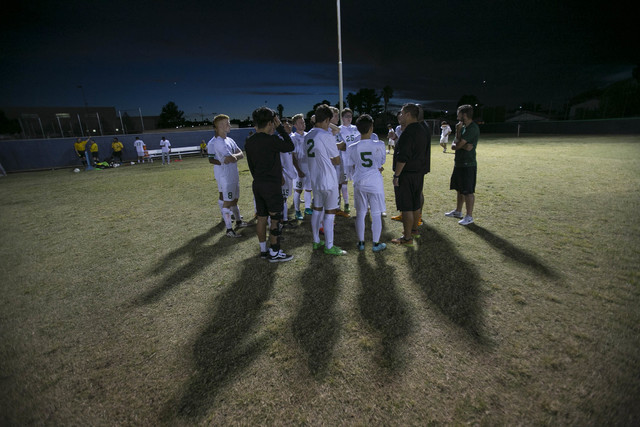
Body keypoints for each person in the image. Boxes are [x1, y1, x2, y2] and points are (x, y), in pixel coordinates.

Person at [244, 107, 295, 262]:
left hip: (258, 183)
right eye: (273, 123)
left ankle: (263, 250)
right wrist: (280, 128)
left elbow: (251, 166)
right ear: (269, 123)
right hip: (271, 186)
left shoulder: (249, 141)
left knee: (261, 217)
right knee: (275, 218)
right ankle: (275, 252)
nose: (274, 125)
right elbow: (290, 146)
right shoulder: (272, 140)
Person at [305, 104, 347, 256]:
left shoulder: (308, 135)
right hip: (328, 180)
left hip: (315, 179)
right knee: (330, 213)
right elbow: (336, 160)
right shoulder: (325, 135)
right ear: (328, 120)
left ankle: (316, 241)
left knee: (317, 210)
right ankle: (329, 246)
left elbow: (318, 151)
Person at [346, 114, 387, 252]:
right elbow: (381, 162)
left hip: (359, 182)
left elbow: (351, 165)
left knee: (361, 213)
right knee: (376, 214)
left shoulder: (352, 147)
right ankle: (376, 244)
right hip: (374, 182)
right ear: (371, 128)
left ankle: (361, 243)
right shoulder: (380, 144)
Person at [391, 103, 430, 245]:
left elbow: (403, 157)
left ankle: (407, 238)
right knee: (415, 203)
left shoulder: (409, 131)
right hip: (418, 173)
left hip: (407, 174)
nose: (400, 116)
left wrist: (396, 176)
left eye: (401, 113)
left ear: (408, 114)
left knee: (406, 206)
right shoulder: (422, 129)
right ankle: (414, 230)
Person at [208, 114, 247, 237]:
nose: (229, 125)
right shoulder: (218, 142)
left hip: (234, 175)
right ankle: (229, 230)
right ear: (219, 126)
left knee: (235, 200)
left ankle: (239, 221)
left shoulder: (229, 140)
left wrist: (234, 157)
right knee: (227, 202)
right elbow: (230, 158)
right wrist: (234, 157)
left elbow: (240, 153)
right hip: (226, 176)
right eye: (226, 123)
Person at [445, 104, 479, 226]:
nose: (457, 115)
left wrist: (460, 145)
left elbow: (457, 145)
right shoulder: (462, 127)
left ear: (464, 115)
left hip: (468, 164)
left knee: (468, 191)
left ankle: (469, 216)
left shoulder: (472, 128)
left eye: (458, 113)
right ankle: (458, 212)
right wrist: (458, 132)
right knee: (459, 189)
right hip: (459, 163)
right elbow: (454, 145)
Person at [338, 108, 359, 215]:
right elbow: (340, 146)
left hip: (355, 159)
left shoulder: (356, 128)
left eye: (350, 116)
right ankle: (346, 203)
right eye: (346, 116)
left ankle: (359, 204)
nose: (349, 118)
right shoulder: (338, 129)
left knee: (357, 182)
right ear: (342, 118)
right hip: (344, 159)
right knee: (344, 182)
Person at [291, 114, 311, 220]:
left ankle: (307, 208)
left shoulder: (308, 135)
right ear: (295, 125)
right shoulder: (293, 138)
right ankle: (297, 211)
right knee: (298, 190)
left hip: (309, 167)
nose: (303, 124)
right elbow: (292, 156)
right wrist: (298, 170)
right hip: (299, 167)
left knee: (308, 189)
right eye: (300, 122)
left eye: (303, 122)